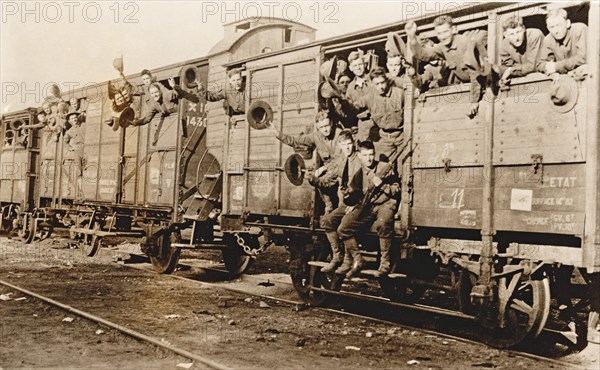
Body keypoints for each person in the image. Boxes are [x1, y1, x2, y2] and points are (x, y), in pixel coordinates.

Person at [326, 140, 400, 278]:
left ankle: (385, 264)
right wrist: (350, 202)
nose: (369, 158)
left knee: (383, 224)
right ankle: (358, 259)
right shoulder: (359, 172)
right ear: (359, 156)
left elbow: (397, 189)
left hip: (385, 203)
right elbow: (354, 193)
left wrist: (383, 185)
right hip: (368, 206)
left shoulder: (385, 167)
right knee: (344, 228)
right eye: (365, 155)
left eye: (371, 154)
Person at [405, 16, 487, 117]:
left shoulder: (466, 43)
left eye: (445, 32)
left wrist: (474, 101)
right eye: (439, 33)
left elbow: (475, 74)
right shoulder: (443, 47)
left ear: (454, 30)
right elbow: (423, 54)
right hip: (472, 89)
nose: (442, 36)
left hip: (484, 88)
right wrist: (412, 36)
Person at [267, 110, 343, 213]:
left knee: (341, 192)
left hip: (342, 170)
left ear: (332, 123)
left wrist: (323, 168)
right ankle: (328, 206)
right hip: (330, 170)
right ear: (317, 127)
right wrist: (277, 134)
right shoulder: (316, 136)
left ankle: (340, 210)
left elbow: (339, 160)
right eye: (321, 127)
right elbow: (296, 141)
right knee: (316, 178)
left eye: (326, 125)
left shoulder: (340, 134)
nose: (325, 129)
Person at [318, 129, 362, 272]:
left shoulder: (360, 160)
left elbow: (366, 186)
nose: (347, 148)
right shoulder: (341, 161)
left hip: (360, 203)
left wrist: (356, 203)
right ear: (340, 146)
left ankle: (351, 260)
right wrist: (314, 179)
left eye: (349, 144)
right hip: (346, 203)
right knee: (327, 221)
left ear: (353, 144)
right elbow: (329, 180)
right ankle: (337, 256)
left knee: (344, 225)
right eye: (344, 145)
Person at [347, 67, 404, 164]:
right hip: (384, 138)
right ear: (372, 84)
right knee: (383, 168)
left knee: (405, 167)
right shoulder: (370, 97)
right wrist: (343, 102)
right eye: (377, 84)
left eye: (382, 82)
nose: (380, 86)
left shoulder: (400, 94)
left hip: (402, 136)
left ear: (387, 81)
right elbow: (353, 107)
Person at [537, 8, 588, 78]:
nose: (556, 31)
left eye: (558, 25)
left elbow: (583, 58)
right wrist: (549, 71)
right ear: (547, 28)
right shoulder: (548, 39)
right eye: (551, 27)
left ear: (567, 23)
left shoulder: (580, 29)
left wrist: (556, 67)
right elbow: (540, 64)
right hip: (566, 80)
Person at [131, 78, 199, 127]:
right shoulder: (153, 105)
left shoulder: (167, 95)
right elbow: (147, 119)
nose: (155, 95)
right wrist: (136, 123)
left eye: (156, 92)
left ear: (160, 92)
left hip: (188, 114)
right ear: (151, 95)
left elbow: (178, 93)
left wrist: (174, 86)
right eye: (152, 93)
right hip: (178, 123)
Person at [499, 15, 544, 86]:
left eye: (518, 32)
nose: (516, 38)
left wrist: (511, 70)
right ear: (505, 35)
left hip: (543, 80)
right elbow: (505, 69)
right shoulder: (504, 45)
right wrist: (510, 70)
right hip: (523, 83)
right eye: (511, 34)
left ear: (524, 29)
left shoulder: (535, 35)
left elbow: (533, 66)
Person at [346, 49, 377, 142]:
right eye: (355, 65)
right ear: (351, 68)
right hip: (363, 126)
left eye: (360, 64)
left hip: (379, 123)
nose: (358, 68)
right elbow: (350, 110)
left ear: (365, 65)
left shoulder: (374, 80)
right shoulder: (350, 88)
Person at [63, 111, 86, 198]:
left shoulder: (84, 125)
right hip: (78, 151)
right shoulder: (69, 131)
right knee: (79, 171)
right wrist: (71, 148)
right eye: (72, 118)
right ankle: (81, 191)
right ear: (69, 121)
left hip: (88, 148)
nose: (74, 119)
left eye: (75, 117)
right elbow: (65, 141)